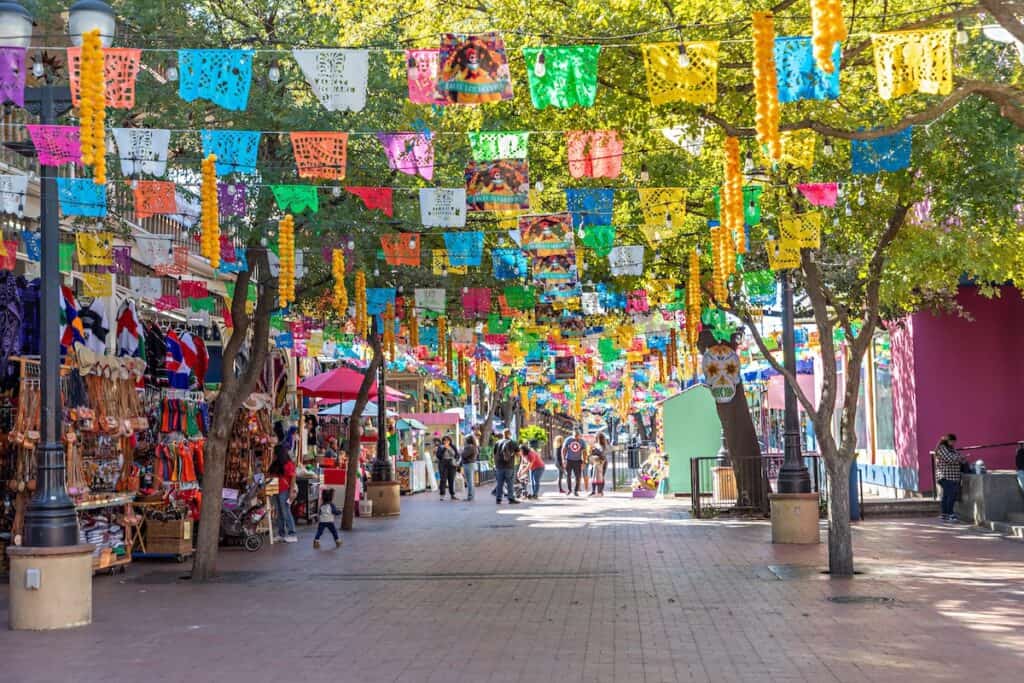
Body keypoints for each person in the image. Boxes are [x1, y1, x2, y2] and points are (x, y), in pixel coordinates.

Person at [268, 421, 298, 543]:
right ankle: (281, 533)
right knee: (279, 512)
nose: (273, 456)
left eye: (274, 454)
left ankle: (292, 533)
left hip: (284, 490)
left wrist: (291, 491)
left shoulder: (287, 464)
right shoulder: (276, 464)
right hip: (276, 489)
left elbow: (293, 478)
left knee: (285, 511)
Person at [935, 433, 966, 522]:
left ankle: (944, 514)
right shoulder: (942, 448)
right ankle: (950, 514)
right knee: (951, 495)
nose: (953, 443)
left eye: (954, 442)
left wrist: (960, 458)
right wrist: (960, 458)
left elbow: (956, 456)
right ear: (948, 440)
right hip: (945, 476)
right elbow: (950, 459)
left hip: (952, 477)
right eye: (952, 441)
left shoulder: (950, 449)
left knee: (946, 495)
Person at [494, 430, 520, 504]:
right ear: (510, 434)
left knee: (499, 483)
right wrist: (513, 454)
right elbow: (518, 454)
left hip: (499, 466)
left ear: (503, 434)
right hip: (509, 466)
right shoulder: (512, 442)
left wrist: (496, 464)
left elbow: (494, 454)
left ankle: (498, 499)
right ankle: (511, 498)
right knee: (510, 483)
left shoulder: (497, 442)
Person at [435, 435, 460, 501]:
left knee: (451, 480)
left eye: (447, 440)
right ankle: (442, 495)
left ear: (450, 441)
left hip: (452, 464)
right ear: (442, 441)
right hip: (443, 464)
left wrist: (456, 460)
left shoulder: (453, 446)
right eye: (444, 440)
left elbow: (457, 455)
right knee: (443, 480)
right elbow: (439, 456)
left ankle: (452, 494)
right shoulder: (440, 447)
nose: (446, 441)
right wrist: (444, 448)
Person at [562, 431, 586, 496]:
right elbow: (564, 450)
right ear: (573, 435)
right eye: (575, 436)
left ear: (579, 436)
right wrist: (564, 460)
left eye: (577, 436)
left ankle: (576, 490)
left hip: (578, 461)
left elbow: (584, 452)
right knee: (568, 475)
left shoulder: (582, 441)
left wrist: (584, 462)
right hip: (569, 460)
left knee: (578, 476)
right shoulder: (568, 440)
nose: (576, 438)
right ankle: (569, 490)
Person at [461, 435, 479, 501]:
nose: (464, 441)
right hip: (472, 464)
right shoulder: (474, 446)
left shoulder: (469, 447)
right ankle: (471, 496)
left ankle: (470, 496)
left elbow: (464, 455)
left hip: (468, 464)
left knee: (469, 481)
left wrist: (461, 451)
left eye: (465, 440)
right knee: (471, 481)